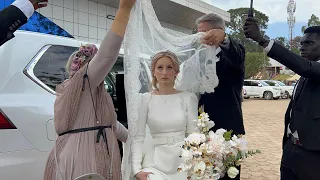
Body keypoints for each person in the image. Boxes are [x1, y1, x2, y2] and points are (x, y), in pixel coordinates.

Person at [43, 0, 136, 179]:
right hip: (83, 158)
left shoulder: (81, 89)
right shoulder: (83, 82)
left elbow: (112, 125)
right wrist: (124, 9)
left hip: (75, 154)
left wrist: (136, 142)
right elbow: (108, 55)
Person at [244, 16, 320, 180]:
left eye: (309, 43)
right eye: (301, 43)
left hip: (314, 157)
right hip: (291, 152)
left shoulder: (311, 69)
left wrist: (261, 39)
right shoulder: (304, 75)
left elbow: (304, 67)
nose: (302, 47)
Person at [131, 50, 198, 180]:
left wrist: (195, 163)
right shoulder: (145, 99)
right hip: (154, 163)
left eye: (169, 67)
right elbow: (138, 136)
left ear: (176, 72)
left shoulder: (188, 98)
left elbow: (193, 135)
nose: (164, 72)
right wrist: (136, 169)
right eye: (160, 68)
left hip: (183, 161)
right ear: (154, 72)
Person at [196, 13, 245, 180]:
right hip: (202, 127)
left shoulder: (233, 52)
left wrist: (224, 39)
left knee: (229, 175)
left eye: (202, 32)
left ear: (216, 31)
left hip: (228, 127)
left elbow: (236, 55)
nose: (199, 36)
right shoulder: (198, 57)